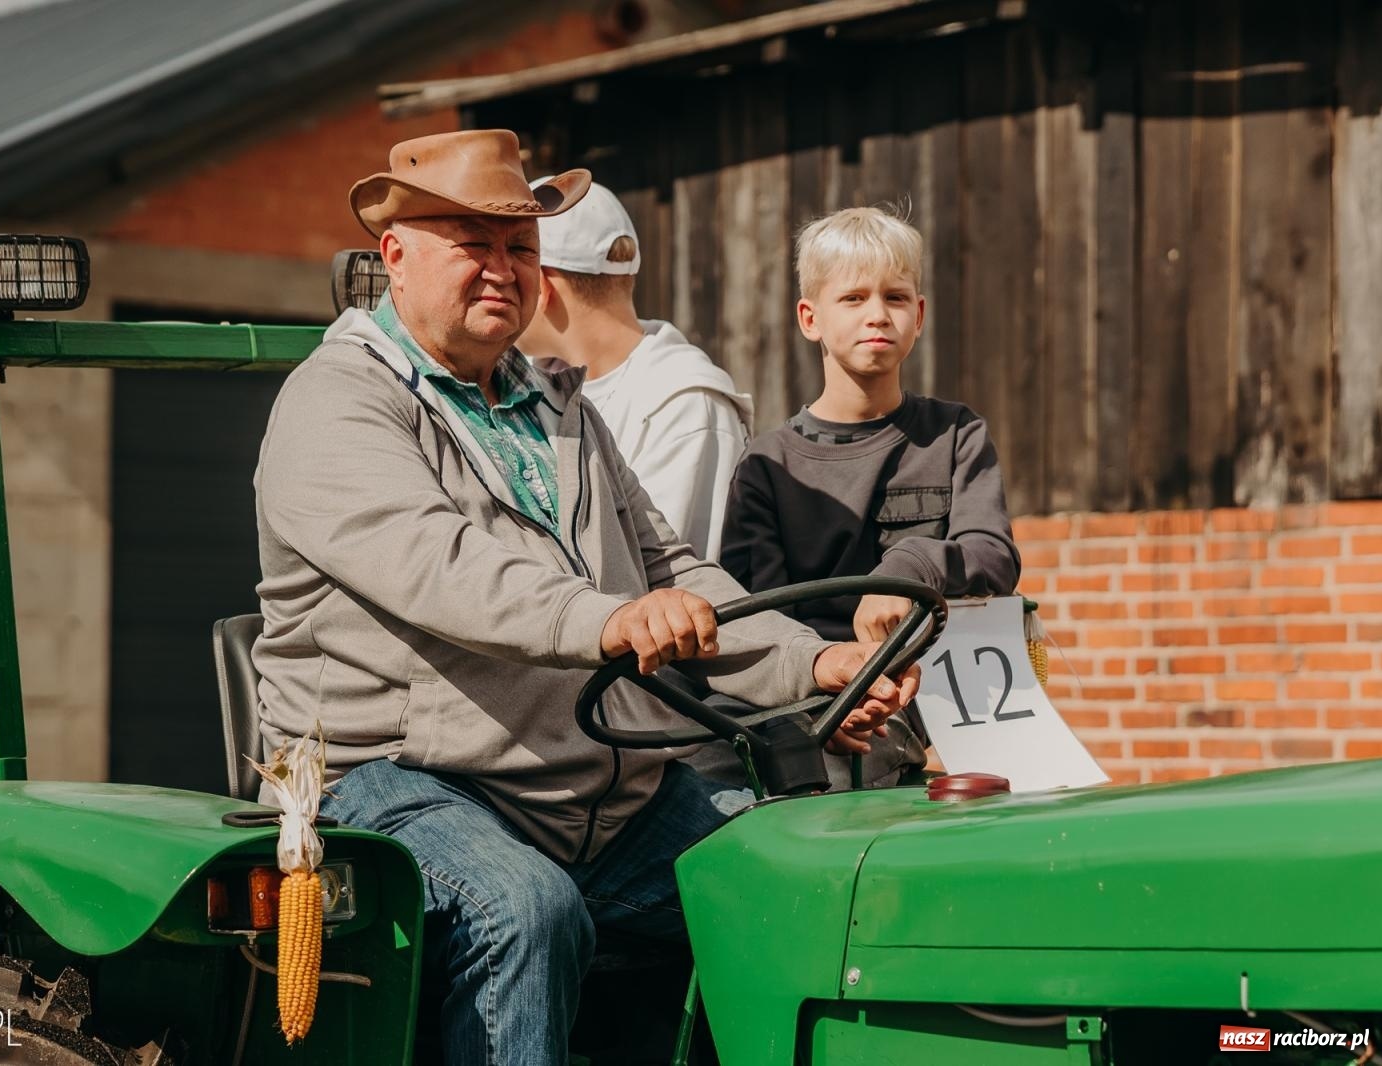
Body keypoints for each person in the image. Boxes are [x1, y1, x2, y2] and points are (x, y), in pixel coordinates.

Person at [253, 130, 920, 1066]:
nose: (501, 269)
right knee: (522, 910)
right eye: (471, 244)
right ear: (395, 256)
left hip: (592, 789)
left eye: (520, 248)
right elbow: (442, 567)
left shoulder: (558, 405)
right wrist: (607, 618)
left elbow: (674, 568)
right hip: (402, 780)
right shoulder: (338, 402)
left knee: (788, 877)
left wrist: (812, 664)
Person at [720, 205, 1020, 789]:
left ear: (921, 314)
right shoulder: (766, 465)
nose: (877, 315)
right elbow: (761, 614)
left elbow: (995, 556)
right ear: (810, 318)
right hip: (816, 702)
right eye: (853, 298)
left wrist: (910, 567)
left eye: (896, 297)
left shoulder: (956, 433)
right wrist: (819, 699)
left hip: (938, 694)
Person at [516, 181, 752, 560]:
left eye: (513, 265)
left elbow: (653, 571)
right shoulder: (527, 385)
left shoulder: (685, 406)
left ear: (541, 286)